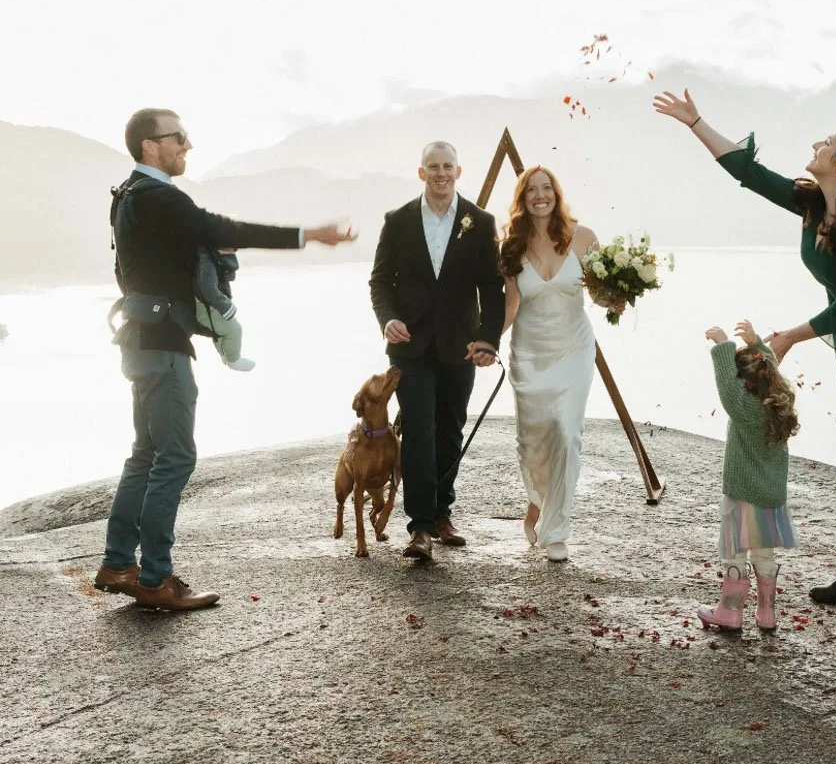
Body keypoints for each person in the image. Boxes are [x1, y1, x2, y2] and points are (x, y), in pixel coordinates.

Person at [654, 88, 836, 619]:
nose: (816, 144)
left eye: (828, 142)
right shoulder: (814, 202)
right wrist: (695, 121)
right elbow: (750, 173)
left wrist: (787, 337)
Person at [95, 108, 355, 612]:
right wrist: (307, 235)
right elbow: (221, 227)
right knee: (174, 458)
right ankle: (155, 579)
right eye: (179, 138)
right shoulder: (161, 196)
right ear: (151, 146)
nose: (187, 146)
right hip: (163, 346)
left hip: (136, 341)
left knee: (145, 454)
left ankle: (117, 562)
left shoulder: (125, 197)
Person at [369, 141, 504, 562]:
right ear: (421, 172)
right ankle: (421, 527)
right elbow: (379, 282)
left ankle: (443, 512)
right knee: (420, 430)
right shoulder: (398, 220)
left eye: (448, 166)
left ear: (459, 172)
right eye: (433, 166)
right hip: (409, 346)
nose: (441, 173)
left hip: (460, 347)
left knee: (450, 429)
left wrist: (488, 339)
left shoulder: (480, 222)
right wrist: (387, 318)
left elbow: (493, 290)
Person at [500, 167, 623, 563]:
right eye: (532, 190)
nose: (540, 195)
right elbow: (511, 306)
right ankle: (537, 502)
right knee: (534, 441)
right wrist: (484, 341)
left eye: (546, 188)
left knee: (566, 432)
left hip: (573, 348)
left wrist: (617, 299)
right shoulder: (512, 245)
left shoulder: (582, 237)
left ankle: (556, 531)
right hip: (529, 354)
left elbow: (601, 294)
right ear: (522, 198)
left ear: (556, 193)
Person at [699, 319, 799, 631]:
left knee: (735, 552)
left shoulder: (744, 408)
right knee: (764, 554)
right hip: (769, 497)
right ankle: (766, 613)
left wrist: (723, 345)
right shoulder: (778, 403)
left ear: (747, 382)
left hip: (741, 493)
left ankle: (730, 611)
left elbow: (727, 387)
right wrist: (757, 345)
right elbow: (768, 369)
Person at [194, 246, 254, 372]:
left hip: (208, 304)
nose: (233, 252)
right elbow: (207, 288)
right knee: (234, 329)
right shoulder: (206, 259)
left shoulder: (211, 257)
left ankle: (226, 356)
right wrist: (225, 306)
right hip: (207, 306)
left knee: (221, 333)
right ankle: (234, 360)